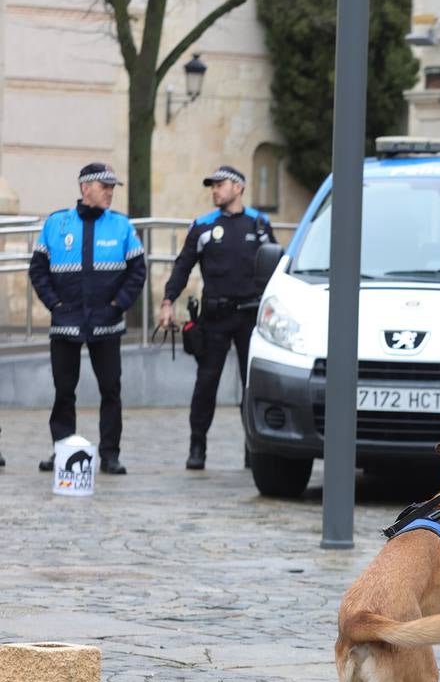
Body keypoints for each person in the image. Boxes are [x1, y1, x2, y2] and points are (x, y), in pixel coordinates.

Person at [29, 163, 146, 475]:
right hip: (66, 324)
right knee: (64, 391)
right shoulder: (56, 224)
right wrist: (54, 303)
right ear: (85, 188)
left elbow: (137, 271)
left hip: (106, 324)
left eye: (112, 187)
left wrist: (118, 305)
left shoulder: (122, 226)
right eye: (104, 186)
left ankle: (110, 455)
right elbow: (38, 270)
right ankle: (63, 451)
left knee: (111, 390)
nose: (110, 192)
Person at [157, 166, 275, 470]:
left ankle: (255, 448)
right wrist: (168, 300)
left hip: (251, 318)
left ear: (238, 187)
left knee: (253, 386)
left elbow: (275, 269)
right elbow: (183, 266)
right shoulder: (203, 226)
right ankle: (197, 446)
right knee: (206, 383)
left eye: (219, 185)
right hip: (215, 317)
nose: (214, 191)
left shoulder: (259, 224)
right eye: (212, 186)